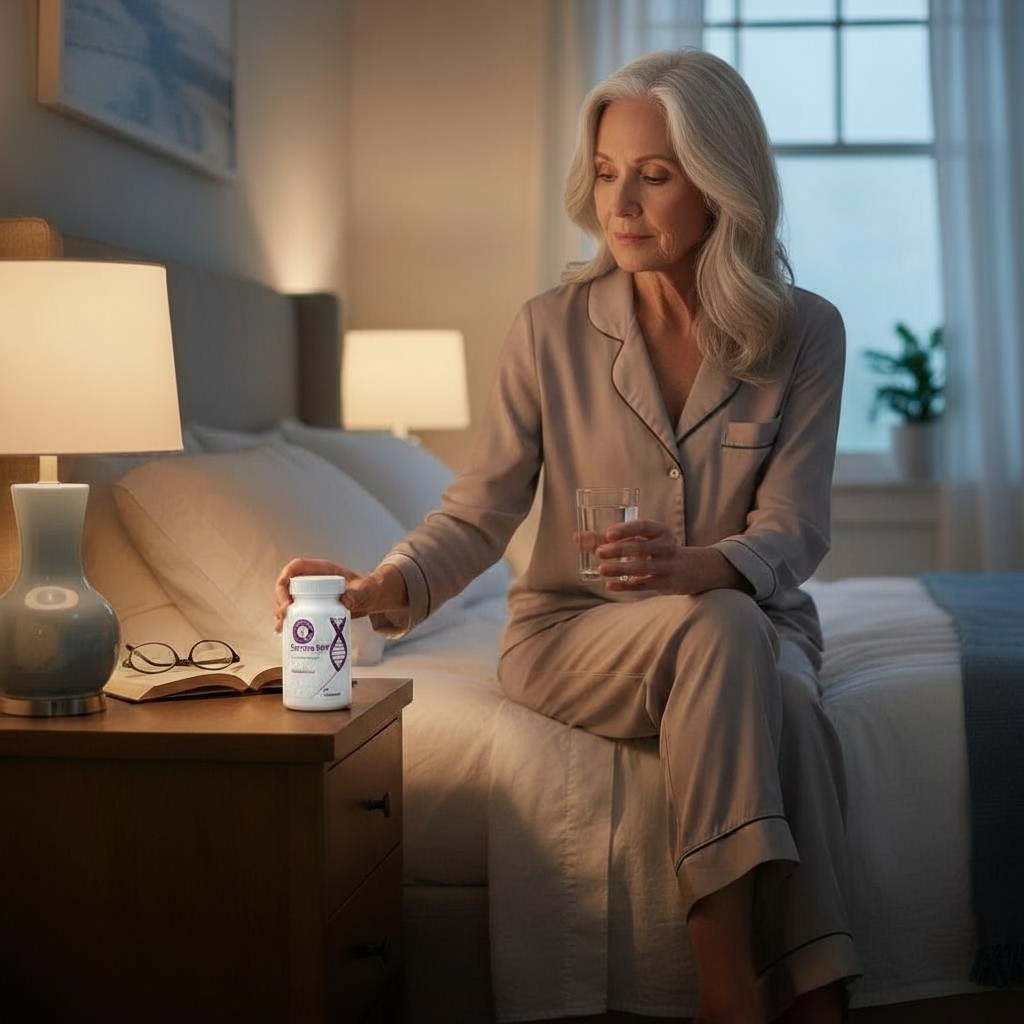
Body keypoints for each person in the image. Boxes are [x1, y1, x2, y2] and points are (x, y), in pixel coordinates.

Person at [275, 49, 859, 1024]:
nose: (618, 203)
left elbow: (795, 526)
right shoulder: (549, 329)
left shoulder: (805, 331)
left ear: (720, 185)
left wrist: (698, 567)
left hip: (757, 622)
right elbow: (481, 509)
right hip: (572, 634)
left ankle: (806, 992)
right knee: (726, 636)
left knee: (766, 677)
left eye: (653, 175)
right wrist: (384, 587)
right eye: (606, 171)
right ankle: (739, 980)